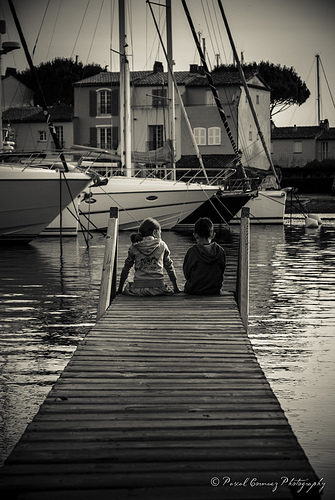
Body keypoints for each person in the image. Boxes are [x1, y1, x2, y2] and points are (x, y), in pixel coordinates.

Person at [117, 217, 180, 296]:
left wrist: (120, 289)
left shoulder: (134, 246)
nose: (160, 235)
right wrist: (176, 288)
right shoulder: (162, 245)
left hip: (138, 290)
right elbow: (169, 267)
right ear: (154, 232)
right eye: (160, 232)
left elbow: (126, 268)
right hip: (158, 289)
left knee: (129, 285)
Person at [183, 217, 226, 295]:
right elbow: (221, 270)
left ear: (195, 235)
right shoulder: (220, 251)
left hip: (194, 290)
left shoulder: (192, 252)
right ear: (213, 235)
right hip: (214, 291)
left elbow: (186, 274)